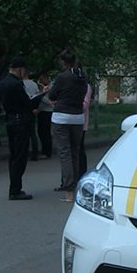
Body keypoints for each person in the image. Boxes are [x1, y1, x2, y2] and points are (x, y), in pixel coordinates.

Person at [0, 56, 44, 201]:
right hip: (21, 121)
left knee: (14, 155)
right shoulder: (16, 84)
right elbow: (28, 104)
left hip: (10, 119)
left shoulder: (3, 83)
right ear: (19, 69)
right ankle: (15, 189)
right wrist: (41, 94)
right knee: (20, 156)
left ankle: (14, 187)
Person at [48, 50, 87, 203]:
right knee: (75, 152)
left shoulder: (62, 77)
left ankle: (69, 191)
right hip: (78, 117)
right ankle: (76, 188)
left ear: (63, 62)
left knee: (65, 153)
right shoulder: (83, 77)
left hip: (61, 117)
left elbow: (52, 95)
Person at [22, 75, 41, 161]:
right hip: (33, 110)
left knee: (24, 134)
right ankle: (35, 153)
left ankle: (24, 153)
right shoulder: (34, 84)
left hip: (24, 110)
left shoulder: (20, 84)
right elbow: (38, 95)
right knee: (33, 133)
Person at [36, 74, 53, 160]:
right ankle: (45, 150)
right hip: (41, 111)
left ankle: (47, 152)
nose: (41, 82)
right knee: (41, 131)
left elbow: (48, 101)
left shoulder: (50, 87)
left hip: (47, 111)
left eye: (42, 79)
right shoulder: (42, 87)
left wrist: (41, 94)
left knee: (45, 132)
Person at [78, 81, 92, 177]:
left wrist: (69, 104)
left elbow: (85, 105)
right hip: (69, 122)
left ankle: (81, 173)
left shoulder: (86, 86)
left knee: (79, 148)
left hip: (81, 122)